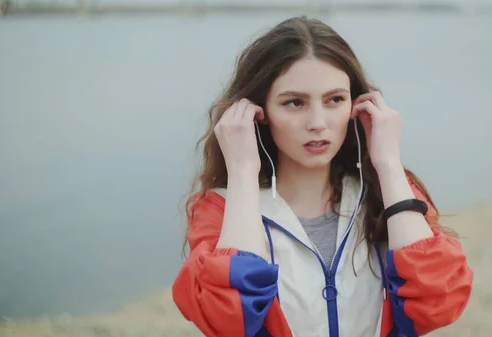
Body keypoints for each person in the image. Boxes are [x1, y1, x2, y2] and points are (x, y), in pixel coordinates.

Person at [172, 16, 473, 337]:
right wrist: (244, 172)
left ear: (356, 105)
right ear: (259, 113)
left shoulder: (387, 195)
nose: (318, 121)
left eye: (334, 100)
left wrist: (387, 163)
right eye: (294, 103)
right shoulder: (221, 209)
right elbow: (228, 321)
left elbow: (436, 304)